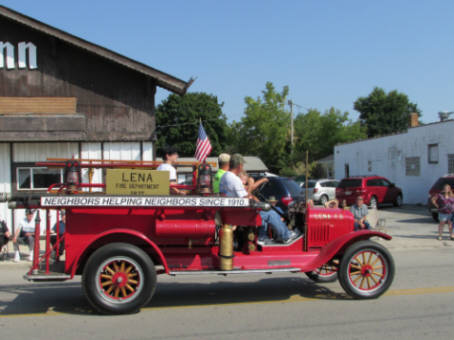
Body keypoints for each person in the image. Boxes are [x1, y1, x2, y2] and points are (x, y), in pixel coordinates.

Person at [220, 154, 299, 244]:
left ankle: (263, 237)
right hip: (240, 214)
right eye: (242, 166)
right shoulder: (234, 179)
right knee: (271, 213)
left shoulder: (225, 176)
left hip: (233, 211)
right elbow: (246, 198)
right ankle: (285, 236)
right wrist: (250, 185)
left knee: (264, 210)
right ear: (239, 166)